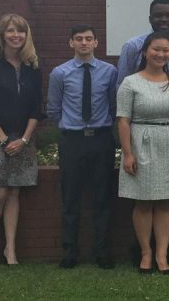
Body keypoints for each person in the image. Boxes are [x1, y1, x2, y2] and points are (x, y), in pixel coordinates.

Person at [115, 0, 169, 265]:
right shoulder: (130, 78)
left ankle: (163, 255)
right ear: (146, 51)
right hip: (141, 141)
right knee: (143, 201)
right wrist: (127, 153)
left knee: (165, 202)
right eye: (155, 50)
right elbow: (123, 118)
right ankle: (145, 254)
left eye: (165, 51)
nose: (160, 54)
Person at [0, 13, 45, 266]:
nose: (17, 35)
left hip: (23, 137)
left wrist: (24, 139)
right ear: (1, 34)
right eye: (11, 31)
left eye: (21, 31)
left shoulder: (32, 65)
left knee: (14, 191)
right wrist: (3, 139)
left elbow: (37, 107)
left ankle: (10, 249)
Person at [47, 24, 119, 269]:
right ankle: (69, 252)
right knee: (70, 198)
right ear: (71, 43)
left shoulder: (110, 72)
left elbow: (113, 105)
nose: (84, 43)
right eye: (79, 39)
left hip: (101, 139)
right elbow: (53, 109)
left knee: (102, 197)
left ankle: (102, 252)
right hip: (72, 140)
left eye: (89, 39)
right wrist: (69, 128)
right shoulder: (60, 73)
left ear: (97, 43)